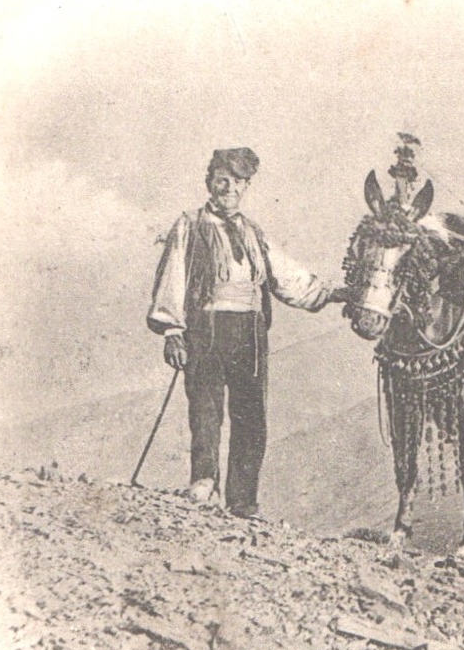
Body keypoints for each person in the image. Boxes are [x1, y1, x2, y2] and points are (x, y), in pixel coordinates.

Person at [146, 147, 344, 518]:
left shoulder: (253, 232)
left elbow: (284, 277)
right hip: (205, 326)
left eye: (238, 181)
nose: (229, 187)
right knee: (205, 407)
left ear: (247, 186)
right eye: (222, 178)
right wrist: (173, 330)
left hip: (250, 330)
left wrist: (330, 293)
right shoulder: (189, 225)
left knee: (251, 414)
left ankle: (243, 500)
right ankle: (204, 482)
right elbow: (172, 273)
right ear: (209, 181)